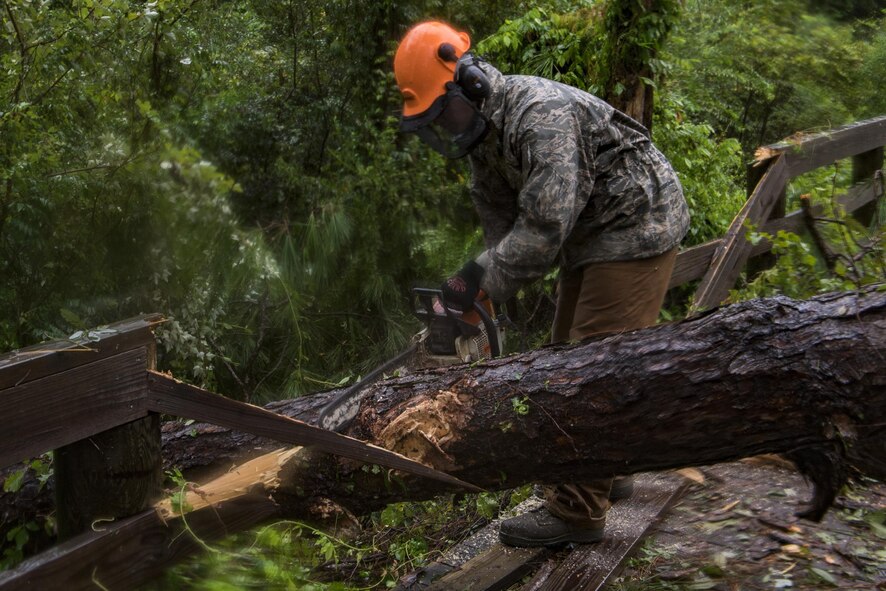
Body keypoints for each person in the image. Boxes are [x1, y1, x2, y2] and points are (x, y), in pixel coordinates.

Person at [393, 21, 690, 547]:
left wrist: (477, 283)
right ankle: (610, 469)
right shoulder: (483, 142)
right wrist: (472, 291)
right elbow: (501, 234)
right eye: (433, 122)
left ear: (472, 84)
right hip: (590, 234)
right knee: (562, 357)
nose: (446, 127)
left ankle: (578, 511)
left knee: (591, 366)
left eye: (445, 112)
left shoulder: (539, 117)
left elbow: (542, 231)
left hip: (636, 221)